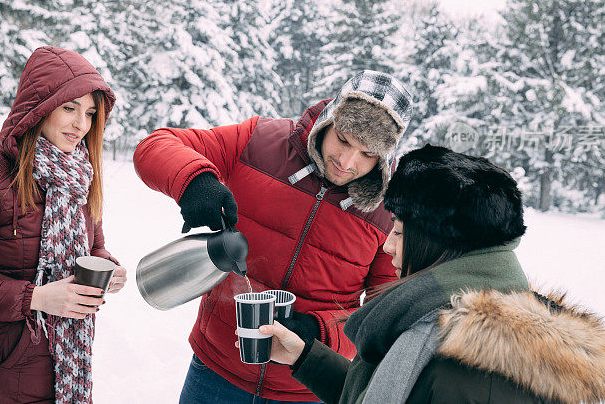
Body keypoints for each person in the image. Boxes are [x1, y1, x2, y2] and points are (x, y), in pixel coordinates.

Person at [257, 144, 605, 403]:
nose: (387, 246)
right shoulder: (456, 323)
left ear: (435, 246)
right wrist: (306, 357)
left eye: (400, 232)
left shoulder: (464, 369)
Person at [134, 70, 414, 402]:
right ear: (329, 120)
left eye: (367, 154)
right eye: (343, 139)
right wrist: (195, 182)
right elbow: (155, 146)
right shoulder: (259, 141)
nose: (347, 161)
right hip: (215, 372)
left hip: (305, 387)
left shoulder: (391, 208)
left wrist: (318, 333)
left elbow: (383, 314)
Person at [0, 46, 127, 404]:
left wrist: (107, 267)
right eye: (69, 107)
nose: (81, 124)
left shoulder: (79, 180)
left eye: (91, 112)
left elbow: (93, 249)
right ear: (40, 107)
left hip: (69, 378)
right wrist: (36, 297)